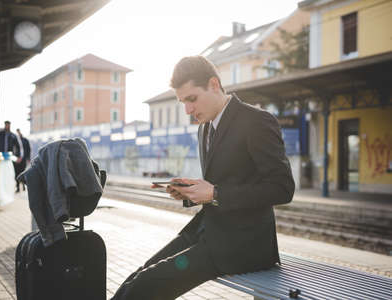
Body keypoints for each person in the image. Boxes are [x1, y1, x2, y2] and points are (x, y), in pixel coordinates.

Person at [111, 56, 295, 300]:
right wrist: (191, 193)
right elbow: (220, 183)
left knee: (144, 287)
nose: (187, 110)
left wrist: (215, 194)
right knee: (136, 278)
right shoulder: (205, 127)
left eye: (192, 99)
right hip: (208, 232)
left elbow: (282, 188)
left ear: (214, 85)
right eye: (182, 102)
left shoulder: (256, 121)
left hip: (243, 246)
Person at [0, 121, 21, 191]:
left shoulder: (13, 135)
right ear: (5, 125)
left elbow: (18, 146)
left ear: (10, 126)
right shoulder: (0, 134)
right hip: (1, 156)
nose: (7, 126)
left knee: (12, 172)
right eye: (6, 125)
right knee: (1, 172)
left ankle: (16, 186)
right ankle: (2, 187)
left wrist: (18, 156)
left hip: (9, 157)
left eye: (8, 125)